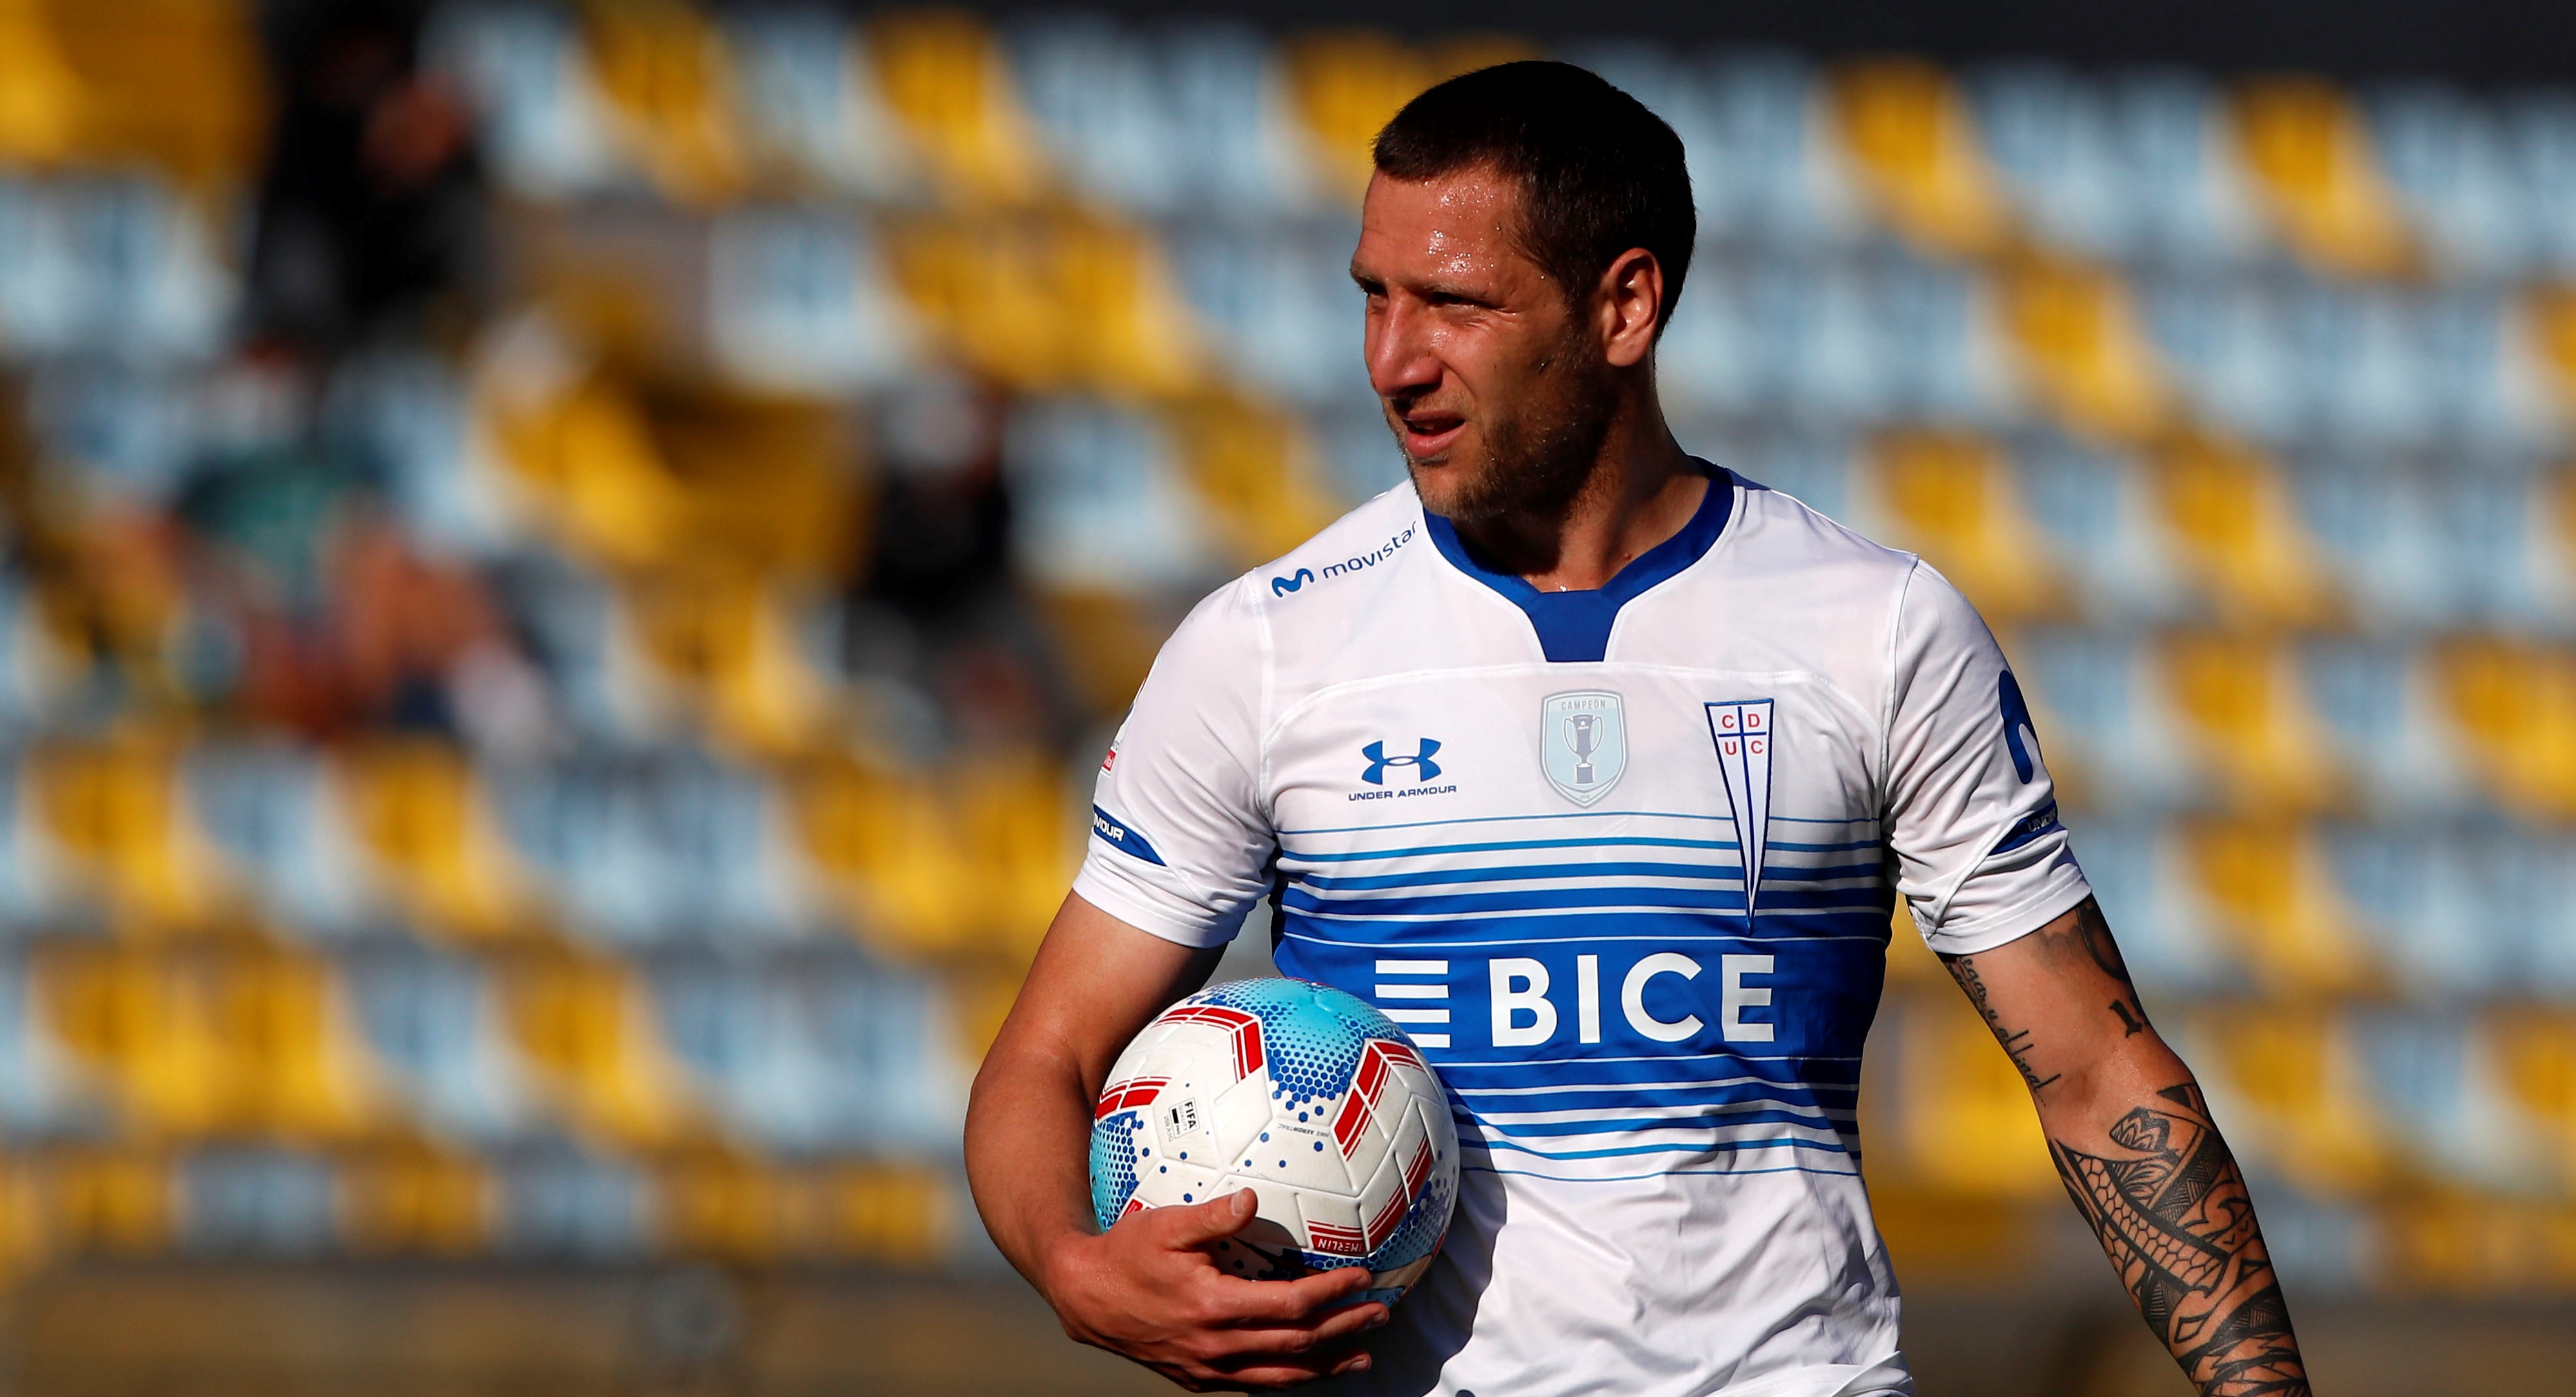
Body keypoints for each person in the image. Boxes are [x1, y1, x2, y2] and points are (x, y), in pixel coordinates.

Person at [965, 60, 2313, 1397]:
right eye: (1374, 298)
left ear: (1625, 306)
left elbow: (2093, 1067)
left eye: (1455, 304)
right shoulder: (1267, 645)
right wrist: (1075, 1268)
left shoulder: (1878, 627)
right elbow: (1050, 1056)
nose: (1394, 361)